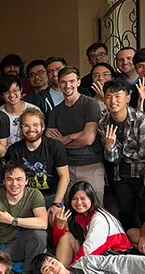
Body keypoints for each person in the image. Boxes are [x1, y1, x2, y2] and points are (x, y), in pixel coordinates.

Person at [99, 79, 145, 229]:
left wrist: (120, 153)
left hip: (143, 175)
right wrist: (110, 147)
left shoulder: (142, 120)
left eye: (118, 96)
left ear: (128, 98)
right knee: (125, 212)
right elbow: (111, 159)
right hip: (119, 175)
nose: (113, 101)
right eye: (109, 96)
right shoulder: (103, 123)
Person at [0, 161, 48, 274]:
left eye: (19, 179)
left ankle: (27, 273)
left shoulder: (34, 194)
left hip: (20, 242)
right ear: (4, 181)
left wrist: (12, 220)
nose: (14, 184)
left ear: (26, 181)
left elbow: (43, 223)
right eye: (9, 179)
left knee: (39, 235)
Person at [46, 67, 106, 204]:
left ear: (78, 82)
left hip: (91, 165)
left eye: (72, 81)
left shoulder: (90, 104)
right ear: (59, 84)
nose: (68, 85)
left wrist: (62, 140)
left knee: (95, 209)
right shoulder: (56, 111)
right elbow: (51, 143)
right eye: (63, 82)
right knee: (70, 210)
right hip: (66, 168)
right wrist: (71, 137)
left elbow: (88, 139)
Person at [52, 181, 132, 267]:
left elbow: (88, 251)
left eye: (83, 198)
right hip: (99, 254)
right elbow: (58, 243)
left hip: (117, 257)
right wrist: (60, 226)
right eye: (74, 199)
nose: (79, 202)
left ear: (91, 199)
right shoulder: (78, 215)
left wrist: (70, 271)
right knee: (66, 237)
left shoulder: (99, 218)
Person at [6, 109, 70, 216]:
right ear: (21, 128)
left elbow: (65, 177)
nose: (31, 129)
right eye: (26, 125)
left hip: (52, 197)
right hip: (26, 199)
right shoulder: (14, 150)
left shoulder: (55, 146)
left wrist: (57, 204)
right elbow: (11, 181)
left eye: (35, 125)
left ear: (43, 127)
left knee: (58, 223)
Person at [0, 75, 40, 146]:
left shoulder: (34, 110)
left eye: (15, 90)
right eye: (7, 92)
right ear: (1, 95)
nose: (11, 95)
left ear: (21, 90)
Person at [29, 56, 67, 122]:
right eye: (50, 71)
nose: (55, 74)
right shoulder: (40, 98)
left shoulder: (81, 92)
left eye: (58, 69)